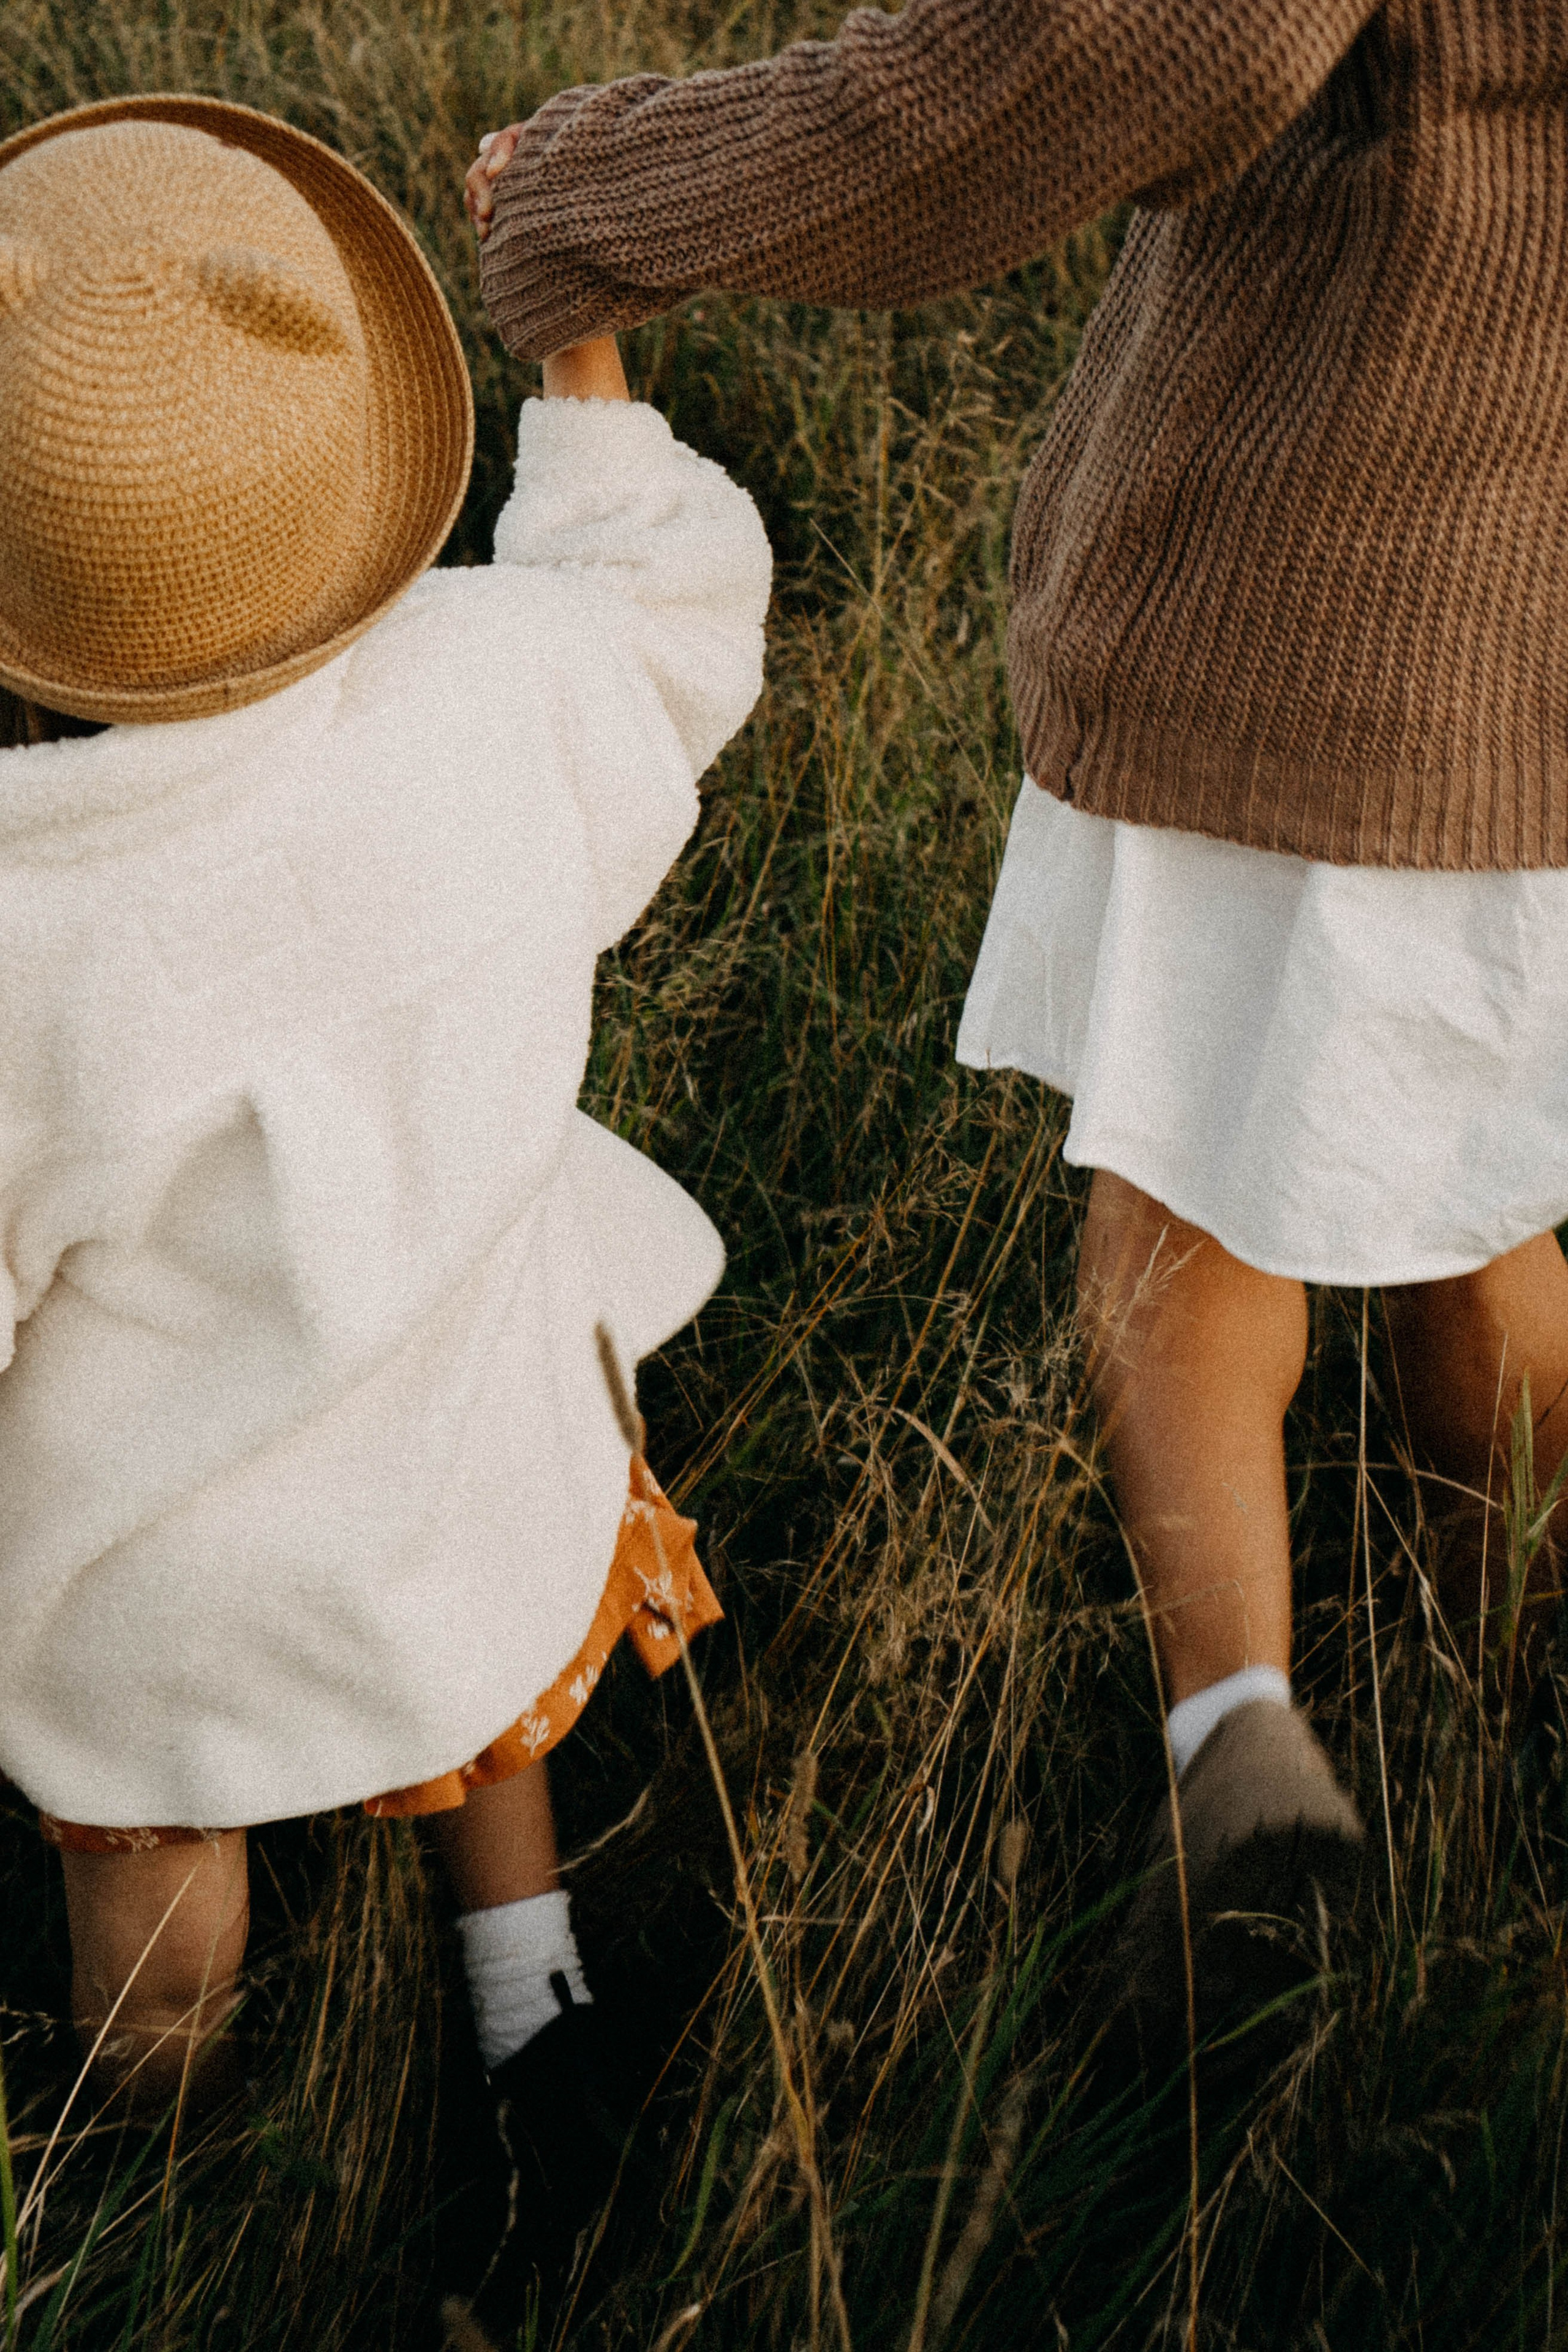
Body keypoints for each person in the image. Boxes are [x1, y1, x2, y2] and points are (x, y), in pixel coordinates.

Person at [467, 0, 1568, 2028]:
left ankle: (1244, 1734)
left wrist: (605, 191)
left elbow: (1076, 70)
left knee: (1186, 1181)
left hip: (1322, 601)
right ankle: (1481, 1704)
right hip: (1542, 618)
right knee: (1478, 1178)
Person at [0, 85, 769, 2233]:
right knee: (487, 1682)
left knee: (149, 1839)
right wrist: (582, 367)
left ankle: (147, 2151)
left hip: (161, 1549)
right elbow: (667, 614)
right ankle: (535, 2012)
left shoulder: (19, 931)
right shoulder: (498, 693)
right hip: (461, 1415)